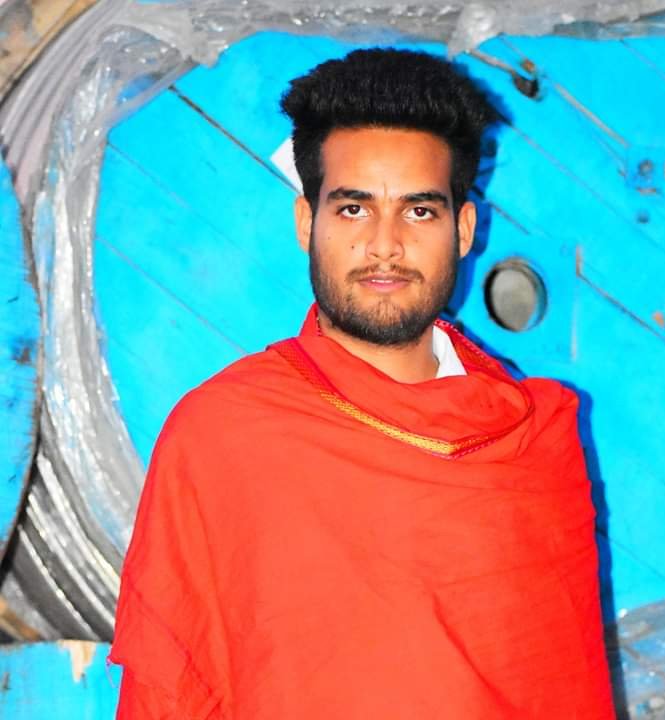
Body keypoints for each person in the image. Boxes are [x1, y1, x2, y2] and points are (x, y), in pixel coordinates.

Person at [110, 47, 615, 719]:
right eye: (353, 209)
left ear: (465, 229)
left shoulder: (534, 442)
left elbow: (565, 688)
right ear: (306, 223)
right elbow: (168, 696)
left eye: (419, 211)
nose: (384, 244)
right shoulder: (221, 436)